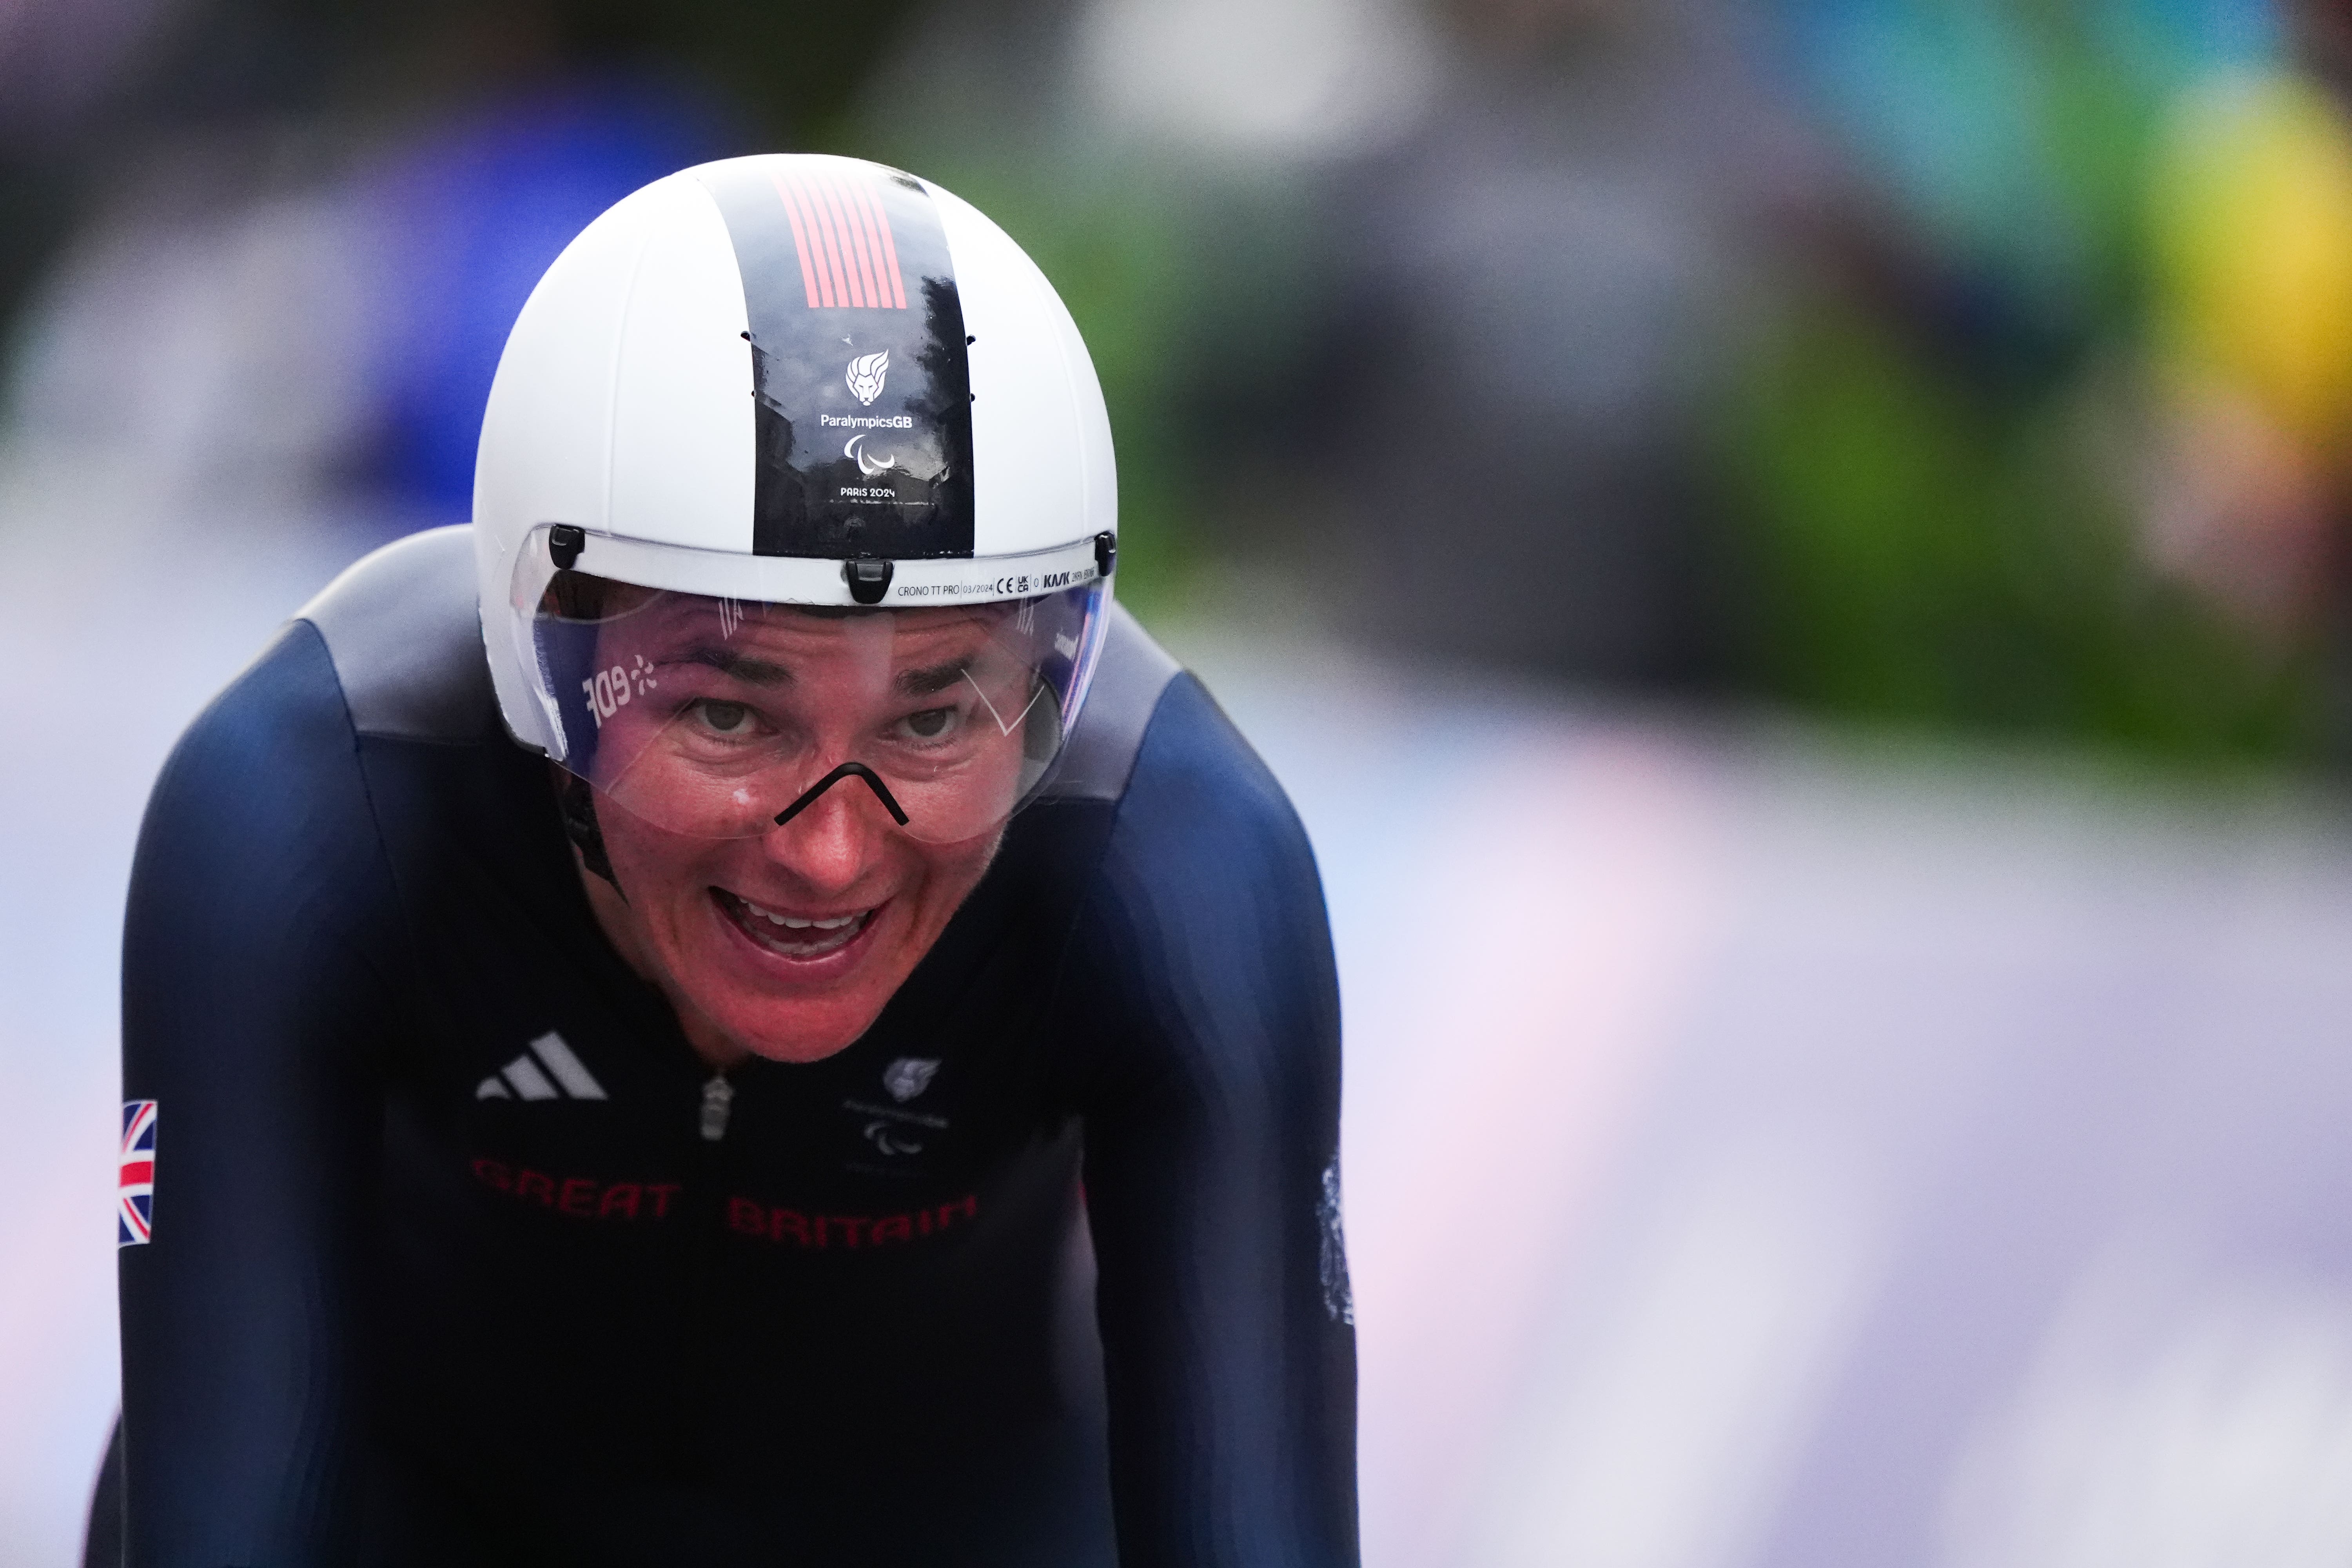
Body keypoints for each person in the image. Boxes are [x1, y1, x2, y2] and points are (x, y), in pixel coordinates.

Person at [97, 154, 1357, 1567]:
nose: (828, 855)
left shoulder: (1175, 856)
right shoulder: (313, 798)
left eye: (935, 714)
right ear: (537, 663)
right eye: (726, 709)